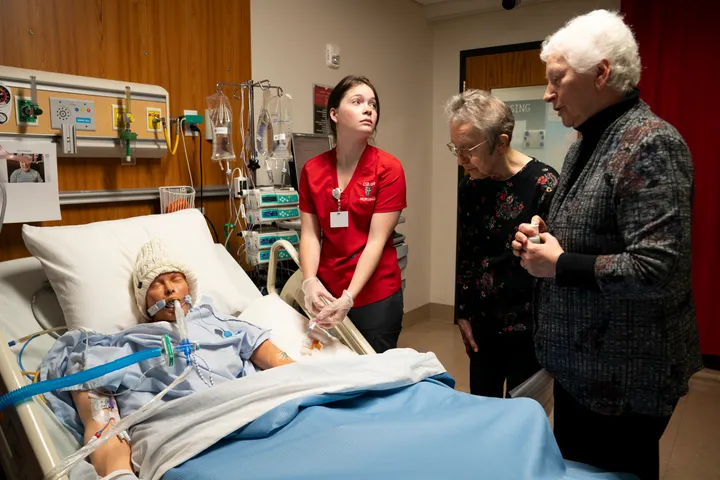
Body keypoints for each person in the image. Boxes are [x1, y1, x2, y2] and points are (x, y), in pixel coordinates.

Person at [510, 10, 702, 480]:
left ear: (601, 73)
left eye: (557, 79)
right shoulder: (584, 143)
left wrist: (559, 264)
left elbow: (658, 268)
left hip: (624, 379)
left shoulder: (650, 142)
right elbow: (588, 229)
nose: (547, 94)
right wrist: (543, 237)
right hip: (584, 370)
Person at [40, 238, 294, 478]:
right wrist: (119, 474)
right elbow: (103, 423)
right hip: (186, 443)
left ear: (189, 288)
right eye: (157, 283)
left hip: (262, 417)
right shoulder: (119, 348)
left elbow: (290, 371)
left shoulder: (222, 324)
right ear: (144, 299)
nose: (170, 288)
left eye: (176, 279)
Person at [446, 90, 558, 398]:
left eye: (468, 150)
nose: (460, 159)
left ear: (502, 141)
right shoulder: (471, 184)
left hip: (530, 326)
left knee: (523, 416)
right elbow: (466, 253)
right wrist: (463, 313)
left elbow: (554, 260)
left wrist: (541, 237)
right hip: (484, 326)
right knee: (484, 411)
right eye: (455, 149)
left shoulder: (544, 184)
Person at [298, 75, 406, 353]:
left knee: (375, 375)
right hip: (326, 290)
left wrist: (349, 297)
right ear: (333, 114)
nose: (368, 109)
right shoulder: (312, 170)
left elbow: (376, 242)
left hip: (375, 294)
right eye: (357, 102)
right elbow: (310, 233)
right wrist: (309, 281)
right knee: (333, 373)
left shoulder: (388, 168)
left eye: (372, 104)